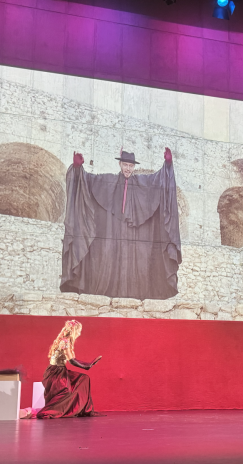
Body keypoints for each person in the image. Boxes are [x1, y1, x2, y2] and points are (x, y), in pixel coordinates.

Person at [60, 147, 181, 300]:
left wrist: (168, 164)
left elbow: (160, 180)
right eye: (125, 165)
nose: (128, 169)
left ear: (134, 167)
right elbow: (88, 181)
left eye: (130, 166)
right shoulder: (108, 182)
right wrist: (78, 169)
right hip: (112, 233)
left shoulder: (143, 183)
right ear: (120, 164)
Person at [32, 320, 102, 419]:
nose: (79, 333)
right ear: (74, 331)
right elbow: (72, 361)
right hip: (55, 372)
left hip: (61, 371)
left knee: (83, 378)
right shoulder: (65, 342)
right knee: (66, 391)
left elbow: (73, 359)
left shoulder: (66, 341)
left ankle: (79, 409)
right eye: (78, 331)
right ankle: (47, 411)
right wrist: (86, 366)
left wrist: (88, 364)